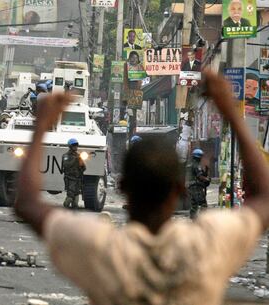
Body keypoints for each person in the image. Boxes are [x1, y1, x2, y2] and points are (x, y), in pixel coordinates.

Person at [14, 71, 269, 305]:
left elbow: (27, 204)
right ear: (179, 189)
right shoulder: (206, 246)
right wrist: (231, 111)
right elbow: (264, 199)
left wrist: (41, 127)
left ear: (123, 187)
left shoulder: (103, 251)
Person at [62, 138, 86, 209]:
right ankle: (65, 206)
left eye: (76, 145)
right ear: (70, 146)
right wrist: (75, 159)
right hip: (70, 178)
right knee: (70, 195)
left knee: (76, 199)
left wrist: (80, 162)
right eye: (74, 145)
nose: (75, 147)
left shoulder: (78, 156)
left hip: (77, 178)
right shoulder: (66, 156)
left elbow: (84, 168)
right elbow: (66, 165)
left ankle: (73, 210)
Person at [189, 148, 211, 219]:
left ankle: (193, 219)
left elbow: (200, 174)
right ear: (198, 157)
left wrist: (206, 171)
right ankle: (202, 219)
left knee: (194, 204)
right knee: (203, 204)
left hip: (191, 187)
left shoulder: (190, 164)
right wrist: (207, 179)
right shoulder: (196, 165)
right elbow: (200, 176)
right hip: (196, 187)